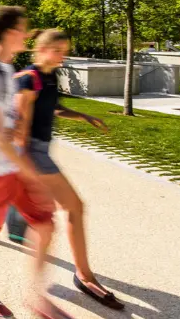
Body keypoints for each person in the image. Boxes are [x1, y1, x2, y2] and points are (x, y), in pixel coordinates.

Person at [0, 6, 64, 319]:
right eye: (23, 29)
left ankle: (36, 296)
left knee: (44, 223)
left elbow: (8, 120)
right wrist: (30, 173)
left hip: (13, 163)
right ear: (9, 33)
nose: (28, 34)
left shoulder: (7, 67)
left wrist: (19, 129)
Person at [14, 29, 124, 311]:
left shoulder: (50, 76)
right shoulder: (28, 78)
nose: (63, 56)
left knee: (55, 216)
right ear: (42, 50)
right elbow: (19, 128)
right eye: (58, 51)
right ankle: (77, 278)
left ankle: (75, 277)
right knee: (66, 211)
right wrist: (26, 172)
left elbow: (54, 108)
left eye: (65, 51)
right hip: (32, 153)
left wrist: (84, 116)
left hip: (41, 151)